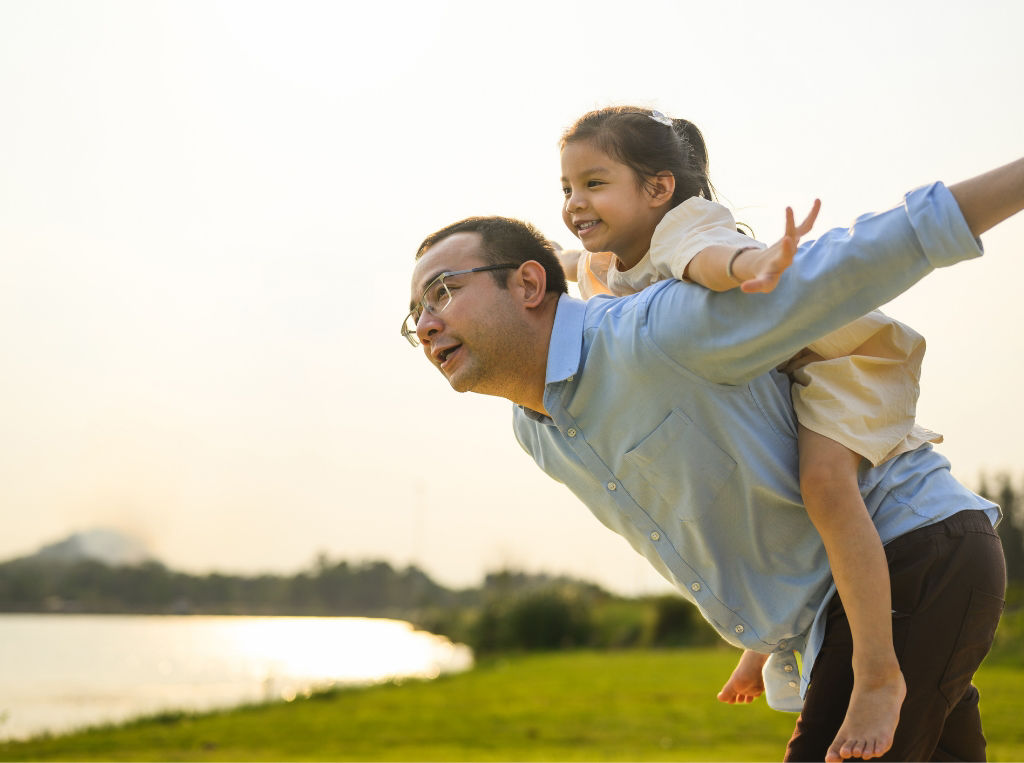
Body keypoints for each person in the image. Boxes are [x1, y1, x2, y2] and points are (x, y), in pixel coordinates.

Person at [402, 154, 1024, 761]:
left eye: (443, 292)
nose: (426, 323)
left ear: (529, 285)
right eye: (415, 314)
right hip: (850, 605)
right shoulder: (535, 428)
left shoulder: (653, 333)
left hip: (915, 552)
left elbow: (849, 263)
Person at [553, 106, 942, 761]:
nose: (574, 202)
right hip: (774, 381)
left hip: (835, 365)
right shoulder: (614, 262)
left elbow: (712, 256)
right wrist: (525, 265)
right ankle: (770, 638)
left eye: (593, 183)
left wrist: (753, 265)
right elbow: (570, 262)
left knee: (821, 484)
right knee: (761, 492)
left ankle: (878, 672)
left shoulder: (684, 225)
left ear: (657, 189)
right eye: (565, 188)